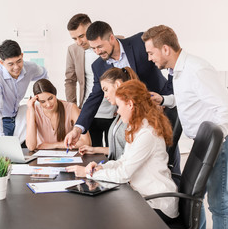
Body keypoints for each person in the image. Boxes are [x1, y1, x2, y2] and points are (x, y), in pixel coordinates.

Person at [142, 25, 228, 229]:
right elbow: (187, 99)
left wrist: (215, 141)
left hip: (217, 145)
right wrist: (164, 99)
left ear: (165, 49)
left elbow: (224, 108)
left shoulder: (197, 69)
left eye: (150, 52)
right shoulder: (178, 71)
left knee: (218, 205)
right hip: (201, 144)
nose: (149, 58)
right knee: (194, 199)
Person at [66, 79, 179, 221]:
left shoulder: (147, 134)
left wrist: (89, 174)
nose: (117, 111)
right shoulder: (137, 128)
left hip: (157, 204)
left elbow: (123, 174)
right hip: (142, 196)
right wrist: (101, 167)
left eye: (119, 106)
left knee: (104, 216)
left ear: (130, 104)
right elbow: (123, 161)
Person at [64, 20, 174, 150]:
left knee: (168, 153)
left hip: (162, 110)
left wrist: (164, 97)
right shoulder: (98, 66)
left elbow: (170, 62)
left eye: (100, 46)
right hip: (134, 120)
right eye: (93, 48)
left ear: (111, 38)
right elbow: (94, 97)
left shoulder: (139, 42)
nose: (97, 52)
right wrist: (77, 129)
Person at [65, 14, 116, 147]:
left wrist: (122, 104)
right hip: (90, 111)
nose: (79, 42)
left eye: (81, 36)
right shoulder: (73, 50)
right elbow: (70, 80)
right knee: (91, 152)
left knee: (115, 152)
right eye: (74, 38)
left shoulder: (113, 43)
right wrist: (74, 108)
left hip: (115, 111)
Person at [0, 40, 48, 137]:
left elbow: (43, 74)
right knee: (1, 150)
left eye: (19, 61)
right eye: (11, 64)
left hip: (15, 117)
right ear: (2, 62)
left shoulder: (30, 67)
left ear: (22, 55)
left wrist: (43, 96)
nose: (16, 67)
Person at [78, 66, 138, 161]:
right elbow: (120, 150)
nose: (105, 96)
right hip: (117, 168)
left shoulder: (133, 115)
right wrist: (94, 149)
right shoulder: (120, 114)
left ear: (117, 84)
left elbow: (129, 157)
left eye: (106, 90)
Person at [26, 79, 91, 151]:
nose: (48, 104)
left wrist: (54, 145)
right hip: (43, 157)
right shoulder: (33, 111)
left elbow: (86, 142)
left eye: (50, 98)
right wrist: (31, 111)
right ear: (37, 101)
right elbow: (31, 147)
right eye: (43, 101)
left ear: (55, 93)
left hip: (68, 155)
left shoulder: (71, 108)